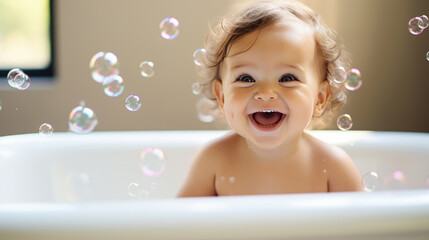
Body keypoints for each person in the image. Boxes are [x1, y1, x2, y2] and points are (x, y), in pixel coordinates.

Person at [178, 0, 362, 197]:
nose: (265, 92)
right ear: (222, 97)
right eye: (246, 78)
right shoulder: (213, 161)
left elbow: (363, 226)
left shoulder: (333, 166)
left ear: (319, 98)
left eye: (287, 78)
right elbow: (180, 223)